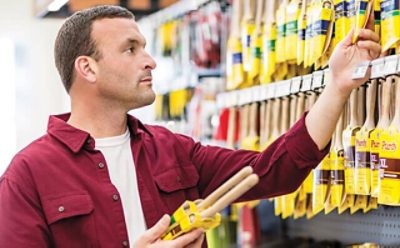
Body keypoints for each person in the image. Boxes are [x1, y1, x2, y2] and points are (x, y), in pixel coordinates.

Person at [0, 5, 381, 248]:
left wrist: (337, 86)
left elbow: (274, 170)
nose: (150, 61)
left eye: (146, 47)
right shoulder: (29, 174)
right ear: (88, 68)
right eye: (131, 49)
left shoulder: (171, 150)